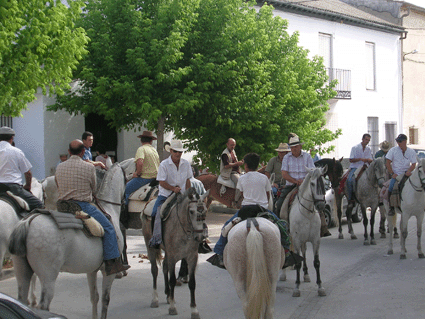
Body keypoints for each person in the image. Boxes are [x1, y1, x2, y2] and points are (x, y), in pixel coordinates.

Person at [208, 152, 298, 269]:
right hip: (262, 210)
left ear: (245, 166)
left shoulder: (242, 178)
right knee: (282, 228)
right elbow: (267, 195)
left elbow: (242, 194)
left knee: (226, 227)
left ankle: (219, 253)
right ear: (257, 165)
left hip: (245, 210)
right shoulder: (264, 178)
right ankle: (286, 253)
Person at [55, 139, 130, 276]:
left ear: (69, 152)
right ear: (83, 152)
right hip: (82, 206)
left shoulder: (60, 166)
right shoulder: (89, 167)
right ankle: (111, 263)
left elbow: (57, 184)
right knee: (109, 227)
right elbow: (94, 188)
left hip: (62, 206)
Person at [149, 140, 193, 247]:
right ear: (171, 151)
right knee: (155, 213)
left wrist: (188, 194)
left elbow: (188, 180)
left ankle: (198, 239)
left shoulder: (186, 164)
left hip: (182, 195)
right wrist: (173, 189)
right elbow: (162, 182)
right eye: (176, 151)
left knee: (196, 211)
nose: (178, 154)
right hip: (165, 195)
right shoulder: (164, 164)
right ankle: (155, 238)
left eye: (180, 152)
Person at [0, 126, 44, 210]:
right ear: (12, 138)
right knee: (39, 204)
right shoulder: (16, 151)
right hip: (13, 188)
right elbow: (28, 173)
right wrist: (27, 186)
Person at [124, 131, 160, 206]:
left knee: (125, 190)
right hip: (156, 178)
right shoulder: (154, 150)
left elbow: (140, 162)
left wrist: (137, 173)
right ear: (151, 141)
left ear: (141, 140)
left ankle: (124, 213)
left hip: (145, 178)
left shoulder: (141, 149)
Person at [385, 134, 417, 216]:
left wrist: (409, 170)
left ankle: (421, 204)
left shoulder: (411, 151)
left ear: (405, 141)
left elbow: (413, 164)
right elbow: (387, 162)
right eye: (397, 141)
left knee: (419, 183)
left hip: (407, 173)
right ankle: (391, 207)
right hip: (397, 174)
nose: (398, 143)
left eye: (400, 141)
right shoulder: (393, 150)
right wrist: (392, 173)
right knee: (391, 187)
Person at [346, 134, 373, 202]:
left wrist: (369, 160)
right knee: (349, 180)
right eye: (366, 140)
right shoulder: (355, 148)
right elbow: (351, 160)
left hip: (365, 167)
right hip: (356, 167)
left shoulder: (368, 149)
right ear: (362, 139)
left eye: (368, 140)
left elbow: (370, 159)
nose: (367, 142)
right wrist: (360, 159)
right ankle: (351, 197)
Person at [220, 138, 244, 206]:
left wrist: (240, 163)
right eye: (231, 145)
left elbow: (235, 162)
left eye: (234, 145)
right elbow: (226, 166)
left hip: (237, 172)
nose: (233, 147)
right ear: (227, 144)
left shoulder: (233, 151)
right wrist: (237, 164)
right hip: (230, 173)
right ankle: (235, 201)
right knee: (240, 182)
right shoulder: (225, 154)